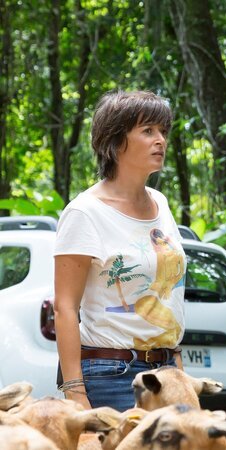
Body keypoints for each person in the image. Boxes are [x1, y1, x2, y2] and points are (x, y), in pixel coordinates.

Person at [54, 90, 186, 411]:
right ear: (115, 141)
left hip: (167, 372)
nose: (161, 141)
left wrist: (177, 366)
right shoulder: (85, 212)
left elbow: (170, 296)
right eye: (148, 131)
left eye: (163, 132)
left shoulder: (161, 203)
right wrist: (75, 393)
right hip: (112, 373)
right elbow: (65, 308)